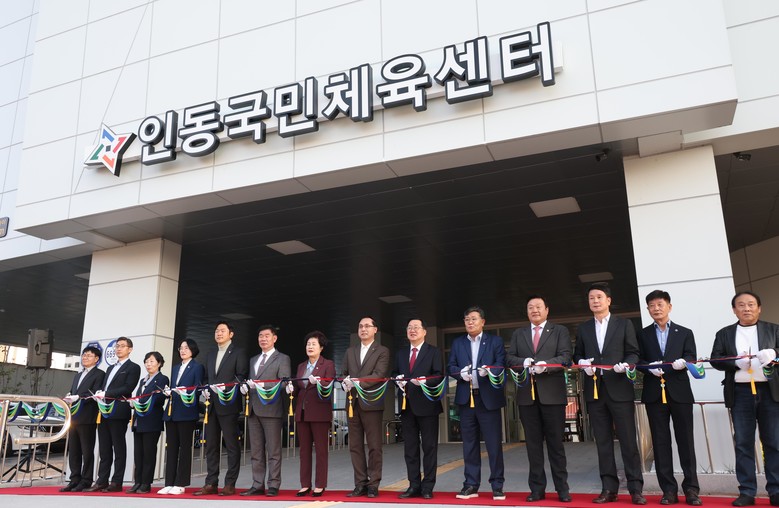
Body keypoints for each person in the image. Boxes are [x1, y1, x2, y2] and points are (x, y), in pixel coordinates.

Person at [573, 283, 645, 505]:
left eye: (599, 297)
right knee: (603, 442)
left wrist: (627, 364)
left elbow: (634, 352)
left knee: (628, 442)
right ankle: (608, 488)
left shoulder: (623, 324)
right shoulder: (584, 328)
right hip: (595, 391)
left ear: (608, 300)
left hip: (619, 389)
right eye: (591, 298)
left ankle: (635, 489)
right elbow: (577, 355)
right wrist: (582, 363)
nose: (595, 301)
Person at [711, 291, 779, 507]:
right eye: (741, 305)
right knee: (743, 443)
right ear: (734, 310)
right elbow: (715, 359)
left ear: (759, 308)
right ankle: (747, 491)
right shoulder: (725, 333)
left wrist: (774, 354)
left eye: (751, 304)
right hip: (740, 393)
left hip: (769, 392)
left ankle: (776, 490)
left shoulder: (774, 329)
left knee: (774, 442)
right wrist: (734, 363)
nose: (746, 308)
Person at [506, 295, 572, 502]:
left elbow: (566, 357)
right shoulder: (519, 333)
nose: (534, 310)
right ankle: (537, 489)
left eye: (538, 307)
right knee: (533, 446)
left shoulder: (559, 331)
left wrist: (546, 365)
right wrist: (523, 362)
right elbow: (510, 358)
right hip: (527, 397)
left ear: (547, 310)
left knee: (556, 445)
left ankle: (562, 489)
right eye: (530, 307)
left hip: (553, 396)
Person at [638, 290, 701, 506]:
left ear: (669, 306)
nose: (656, 308)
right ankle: (668, 490)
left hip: (680, 393)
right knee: (660, 442)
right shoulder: (642, 334)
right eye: (652, 305)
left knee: (686, 442)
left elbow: (691, 356)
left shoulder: (684, 332)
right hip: (654, 394)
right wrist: (649, 368)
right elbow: (638, 361)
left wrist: (684, 362)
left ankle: (691, 489)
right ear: (648, 309)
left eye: (660, 304)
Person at [448, 306, 506, 501]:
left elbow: (501, 364)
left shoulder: (495, 341)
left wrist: (490, 371)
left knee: (493, 444)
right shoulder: (458, 343)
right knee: (469, 444)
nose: (470, 322)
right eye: (467, 319)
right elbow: (451, 366)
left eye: (473, 318)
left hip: (487, 398)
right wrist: (460, 373)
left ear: (483, 322)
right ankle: (471, 485)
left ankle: (497, 485)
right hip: (467, 399)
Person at [194, 321, 249, 497]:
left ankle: (230, 483)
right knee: (211, 445)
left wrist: (226, 387)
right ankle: (211, 483)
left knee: (231, 445)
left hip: (229, 403)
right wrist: (205, 388)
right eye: (217, 330)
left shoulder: (238, 352)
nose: (218, 333)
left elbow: (241, 376)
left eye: (222, 331)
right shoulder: (211, 354)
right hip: (211, 405)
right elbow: (205, 378)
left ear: (231, 334)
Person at [392, 318, 443, 500]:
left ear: (424, 331)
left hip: (428, 406)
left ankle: (428, 486)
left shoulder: (433, 351)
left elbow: (439, 375)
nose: (412, 330)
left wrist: (425, 381)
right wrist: (397, 380)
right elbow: (394, 373)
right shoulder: (401, 353)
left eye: (416, 327)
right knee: (410, 449)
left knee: (429, 448)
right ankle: (413, 485)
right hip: (407, 407)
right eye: (409, 328)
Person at [341, 316, 390, 498]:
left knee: (374, 446)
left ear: (375, 330)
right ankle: (360, 483)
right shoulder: (350, 351)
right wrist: (344, 382)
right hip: (352, 403)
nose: (363, 329)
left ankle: (373, 484)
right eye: (360, 326)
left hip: (371, 402)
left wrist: (356, 382)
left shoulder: (382, 351)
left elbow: (379, 374)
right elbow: (343, 373)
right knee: (355, 446)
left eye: (367, 326)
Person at [241, 325, 291, 497]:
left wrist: (261, 385)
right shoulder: (253, 359)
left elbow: (284, 383)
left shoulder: (282, 358)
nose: (263, 338)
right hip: (253, 409)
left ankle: (273, 485)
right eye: (260, 336)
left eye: (267, 335)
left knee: (273, 451)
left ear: (274, 338)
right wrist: (246, 388)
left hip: (272, 409)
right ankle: (257, 484)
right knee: (256, 451)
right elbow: (251, 381)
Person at [87, 336, 141, 493]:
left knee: (118, 448)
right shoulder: (110, 368)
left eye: (122, 346)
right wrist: (100, 393)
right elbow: (105, 387)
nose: (118, 348)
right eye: (117, 346)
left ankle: (117, 482)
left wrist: (106, 393)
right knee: (104, 449)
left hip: (119, 410)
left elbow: (128, 388)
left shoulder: (133, 367)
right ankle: (102, 481)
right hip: (104, 410)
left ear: (130, 349)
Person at [291, 330, 336, 497]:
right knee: (304, 451)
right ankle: (305, 484)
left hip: (319, 412)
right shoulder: (301, 366)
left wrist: (319, 383)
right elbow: (298, 388)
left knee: (321, 450)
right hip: (302, 412)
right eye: (308, 344)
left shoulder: (328, 364)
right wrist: (291, 388)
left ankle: (320, 484)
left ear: (321, 347)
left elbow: (329, 385)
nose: (310, 347)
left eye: (313, 344)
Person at [159, 339, 205, 495]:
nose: (183, 350)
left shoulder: (197, 367)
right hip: (172, 411)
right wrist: (168, 392)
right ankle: (169, 482)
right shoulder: (175, 368)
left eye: (186, 348)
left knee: (185, 448)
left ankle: (181, 483)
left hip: (186, 411)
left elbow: (198, 388)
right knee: (171, 448)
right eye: (181, 348)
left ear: (193, 350)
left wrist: (187, 392)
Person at [60, 346, 105, 492]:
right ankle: (74, 479)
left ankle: (86, 480)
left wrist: (79, 397)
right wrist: (69, 396)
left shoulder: (100, 374)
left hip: (88, 417)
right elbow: (73, 391)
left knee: (87, 451)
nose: (85, 357)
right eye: (84, 355)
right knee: (73, 451)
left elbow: (95, 394)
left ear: (96, 359)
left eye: (89, 355)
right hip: (74, 417)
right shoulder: (77, 375)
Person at [128, 351, 169, 494]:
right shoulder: (143, 380)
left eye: (151, 361)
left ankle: (146, 483)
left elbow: (159, 399)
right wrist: (134, 402)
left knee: (149, 453)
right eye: (146, 361)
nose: (148, 364)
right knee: (138, 453)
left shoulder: (163, 379)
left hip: (152, 420)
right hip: (138, 420)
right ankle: (137, 481)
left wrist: (140, 402)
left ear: (159, 363)